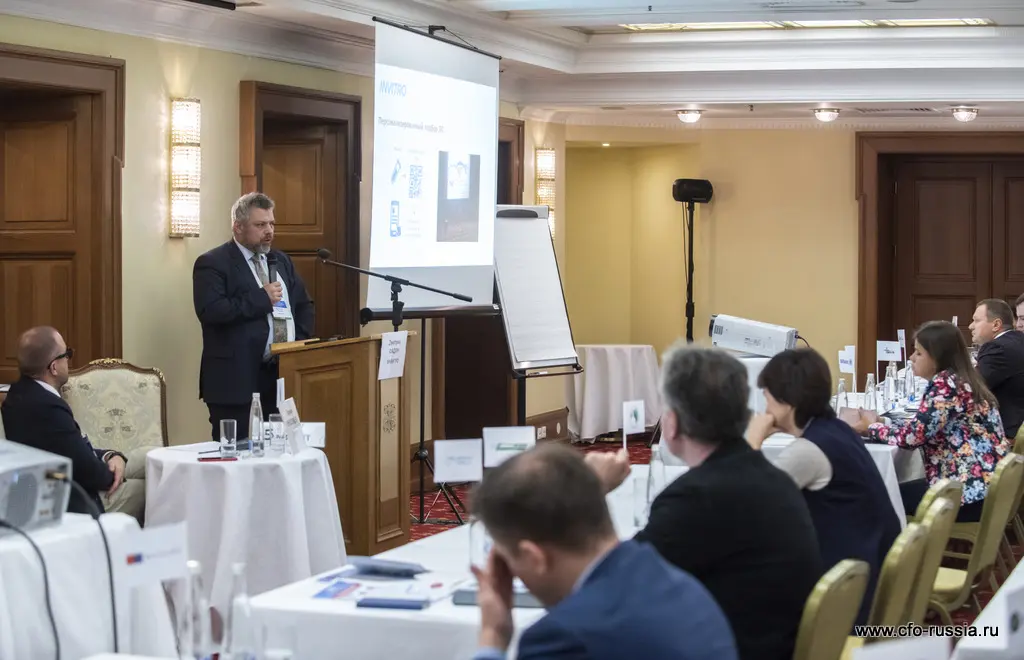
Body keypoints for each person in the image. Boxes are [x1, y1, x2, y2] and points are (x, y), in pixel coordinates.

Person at [586, 345, 822, 660]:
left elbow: (613, 584)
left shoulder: (698, 497)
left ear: (672, 423)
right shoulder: (771, 478)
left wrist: (592, 492)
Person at [470, 444, 738, 660]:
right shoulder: (683, 586)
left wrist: (492, 637)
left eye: (507, 561)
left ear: (533, 558)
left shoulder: (562, 638)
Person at [746, 348, 901, 626]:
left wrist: (753, 440)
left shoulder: (809, 450)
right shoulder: (838, 429)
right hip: (872, 569)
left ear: (787, 401)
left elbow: (749, 502)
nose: (764, 406)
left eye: (767, 395)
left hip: (846, 594)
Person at [848, 321, 1010, 522]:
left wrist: (871, 428)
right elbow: (924, 426)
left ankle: (897, 543)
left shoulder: (945, 385)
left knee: (876, 497)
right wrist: (884, 421)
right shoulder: (961, 379)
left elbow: (912, 438)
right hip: (984, 486)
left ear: (936, 357)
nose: (911, 358)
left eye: (918, 353)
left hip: (966, 494)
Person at [193, 192, 314, 442]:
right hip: (235, 381)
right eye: (260, 225)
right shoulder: (213, 263)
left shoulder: (280, 260)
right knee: (236, 453)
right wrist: (261, 299)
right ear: (238, 227)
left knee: (278, 451)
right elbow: (211, 311)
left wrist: (294, 347)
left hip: (280, 375)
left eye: (271, 224)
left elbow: (304, 306)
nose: (269, 231)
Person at [0, 327, 142, 518]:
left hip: (60, 480)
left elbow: (71, 448)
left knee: (148, 457)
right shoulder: (47, 407)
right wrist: (114, 474)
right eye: (66, 354)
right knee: (146, 487)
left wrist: (111, 455)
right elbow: (88, 472)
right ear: (54, 367)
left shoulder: (18, 394)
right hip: (76, 500)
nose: (68, 359)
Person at [970, 299, 1024, 439]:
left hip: (1007, 434)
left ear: (996, 325)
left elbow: (971, 389)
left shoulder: (997, 347)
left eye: (976, 321)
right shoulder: (1018, 339)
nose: (970, 326)